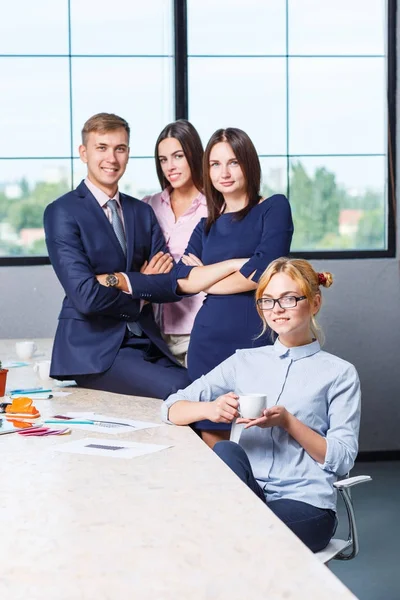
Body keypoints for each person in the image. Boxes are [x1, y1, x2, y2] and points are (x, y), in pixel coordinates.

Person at [162, 257, 361, 553]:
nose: (277, 309)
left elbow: (343, 458)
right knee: (227, 449)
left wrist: (288, 422)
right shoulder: (243, 362)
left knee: (240, 531)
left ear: (314, 303)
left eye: (289, 298)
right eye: (267, 301)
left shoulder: (339, 373)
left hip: (305, 505)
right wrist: (210, 409)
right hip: (247, 496)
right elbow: (170, 407)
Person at [44, 112, 190, 399]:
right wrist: (143, 285)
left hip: (147, 340)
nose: (111, 158)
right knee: (181, 389)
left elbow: (171, 284)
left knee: (205, 384)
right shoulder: (62, 212)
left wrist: (120, 281)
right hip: (94, 351)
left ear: (128, 154)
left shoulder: (141, 211)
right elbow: (85, 296)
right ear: (83, 153)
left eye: (119, 148)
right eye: (102, 148)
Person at [175, 127, 294, 445]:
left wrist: (208, 280)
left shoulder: (273, 208)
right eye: (215, 164)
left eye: (233, 162)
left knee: (260, 439)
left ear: (248, 165)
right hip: (208, 344)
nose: (223, 172)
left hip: (257, 340)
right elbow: (184, 281)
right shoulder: (205, 225)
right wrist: (234, 264)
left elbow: (263, 273)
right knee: (214, 446)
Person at [142, 120, 207, 366]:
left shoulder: (215, 207)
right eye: (163, 159)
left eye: (178, 156)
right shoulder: (149, 204)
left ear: (194, 155)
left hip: (197, 329)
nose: (170, 166)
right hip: (155, 331)